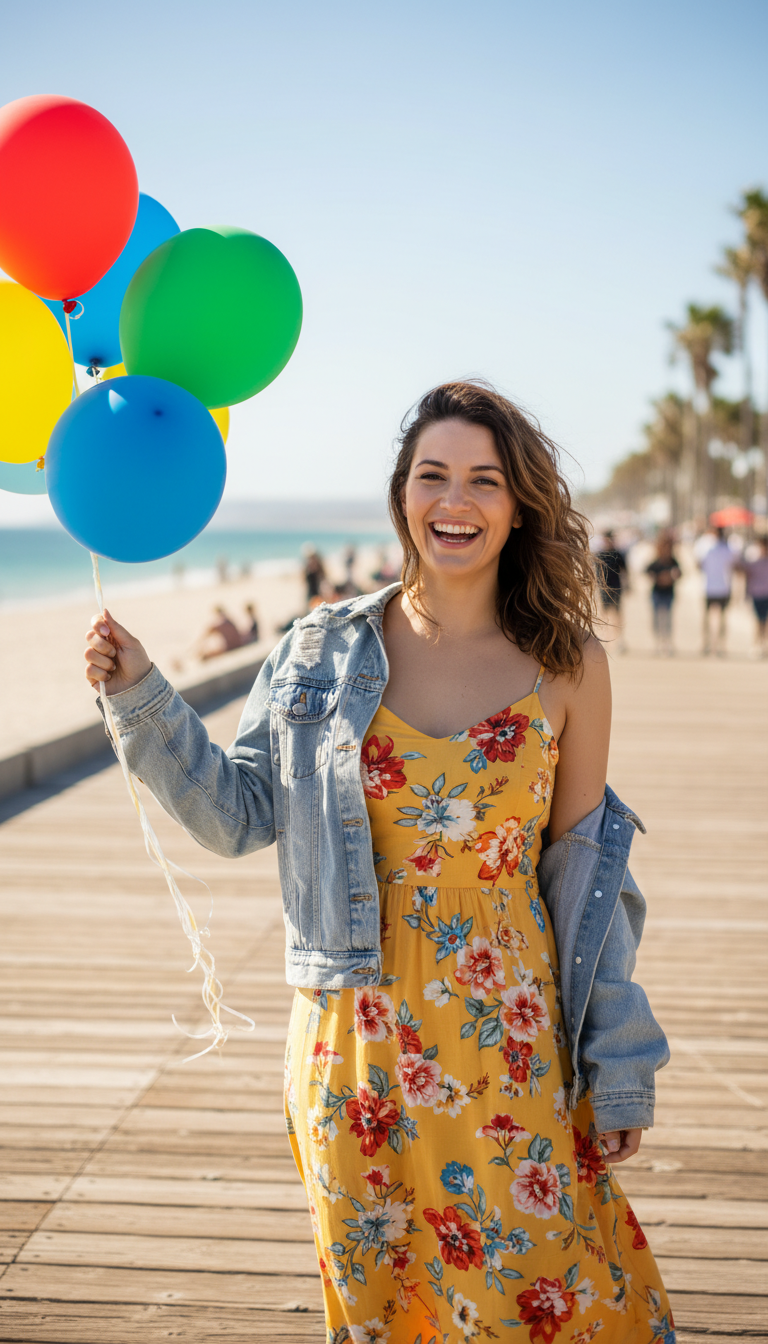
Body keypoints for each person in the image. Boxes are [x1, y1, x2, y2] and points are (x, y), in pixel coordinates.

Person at [84, 381, 674, 1341]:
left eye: (484, 480)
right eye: (432, 475)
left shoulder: (570, 665)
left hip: (508, 1042)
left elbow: (589, 878)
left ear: (518, 503)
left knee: (538, 1292)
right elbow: (236, 818)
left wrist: (616, 1065)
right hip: (351, 1044)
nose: (456, 500)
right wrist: (144, 695)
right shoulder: (318, 648)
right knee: (382, 1308)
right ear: (402, 494)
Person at [698, 527, 735, 656]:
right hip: (723, 587)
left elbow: (699, 564)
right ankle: (720, 645)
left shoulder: (705, 548)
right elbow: (734, 565)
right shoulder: (728, 549)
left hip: (710, 587)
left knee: (708, 617)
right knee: (722, 618)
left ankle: (707, 644)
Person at [645, 533, 682, 656]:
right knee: (656, 619)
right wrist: (659, 578)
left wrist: (673, 577)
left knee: (668, 619)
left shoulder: (673, 561)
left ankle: (667, 643)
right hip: (657, 592)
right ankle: (657, 642)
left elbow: (681, 573)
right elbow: (647, 571)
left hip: (669, 593)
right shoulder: (657, 561)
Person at [595, 529, 629, 652]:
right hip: (603, 589)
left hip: (616, 587)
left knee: (617, 615)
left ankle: (620, 641)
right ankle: (606, 640)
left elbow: (625, 571)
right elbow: (594, 572)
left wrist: (628, 585)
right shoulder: (599, 554)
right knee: (604, 616)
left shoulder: (618, 554)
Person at [739, 535, 768, 657]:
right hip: (757, 594)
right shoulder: (755, 562)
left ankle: (763, 645)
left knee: (764, 622)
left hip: (764, 594)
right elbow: (746, 575)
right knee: (758, 621)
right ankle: (757, 645)